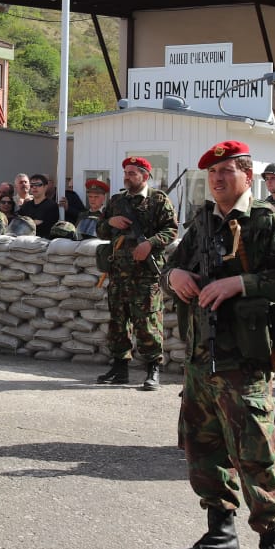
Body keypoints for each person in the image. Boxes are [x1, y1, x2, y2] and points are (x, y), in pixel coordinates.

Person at [163, 139, 275, 549]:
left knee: (254, 451)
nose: (219, 180)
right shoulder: (204, 221)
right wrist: (174, 275)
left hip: (244, 357)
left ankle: (271, 543)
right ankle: (220, 534)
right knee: (203, 447)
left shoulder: (267, 221)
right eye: (213, 174)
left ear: (247, 174)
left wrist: (240, 283)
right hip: (202, 357)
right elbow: (175, 263)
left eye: (227, 171)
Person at [95, 157, 178, 389]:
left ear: (145, 176)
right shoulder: (117, 201)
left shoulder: (158, 200)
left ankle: (153, 369)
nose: (127, 176)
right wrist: (110, 221)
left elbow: (172, 229)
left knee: (148, 321)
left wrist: (150, 243)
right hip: (118, 273)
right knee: (118, 322)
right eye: (126, 172)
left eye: (132, 173)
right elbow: (99, 230)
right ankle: (120, 367)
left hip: (145, 275)